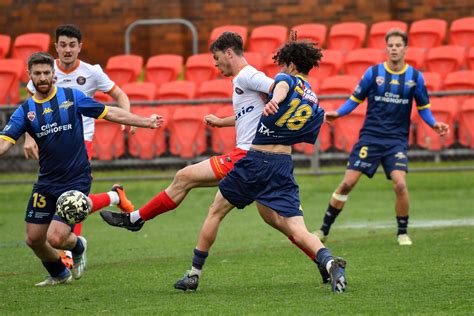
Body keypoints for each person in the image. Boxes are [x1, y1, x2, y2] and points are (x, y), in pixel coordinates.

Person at [100, 32, 331, 280]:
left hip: (247, 156)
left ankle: (138, 220)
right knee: (279, 222)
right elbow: (259, 111)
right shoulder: (244, 79)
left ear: (229, 53)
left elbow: (278, 89)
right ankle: (322, 260)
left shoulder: (248, 74)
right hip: (263, 158)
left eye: (216, 57)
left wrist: (278, 96)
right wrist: (222, 122)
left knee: (185, 178)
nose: (215, 63)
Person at [173, 36, 347, 294]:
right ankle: (330, 262)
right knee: (296, 227)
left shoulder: (286, 79)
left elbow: (281, 86)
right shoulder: (313, 101)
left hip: (255, 161)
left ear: (289, 63)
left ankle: (193, 274)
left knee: (216, 211)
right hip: (283, 165)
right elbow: (306, 133)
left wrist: (276, 98)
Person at [0, 52, 163, 286]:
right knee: (34, 239)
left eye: (47, 72)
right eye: (38, 73)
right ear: (30, 76)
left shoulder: (72, 97)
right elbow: (5, 143)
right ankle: (59, 273)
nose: (43, 77)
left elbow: (111, 112)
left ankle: (78, 245)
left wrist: (144, 121)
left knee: (55, 238)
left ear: (53, 74)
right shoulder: (25, 111)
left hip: (76, 178)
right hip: (47, 181)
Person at [313, 29, 449, 246]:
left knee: (400, 185)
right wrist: (338, 113)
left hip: (396, 141)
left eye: (398, 45)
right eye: (391, 45)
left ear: (405, 48)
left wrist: (434, 124)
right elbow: (354, 99)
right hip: (370, 138)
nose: (394, 49)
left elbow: (423, 108)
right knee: (347, 183)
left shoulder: (415, 77)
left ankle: (402, 233)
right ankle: (323, 230)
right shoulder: (373, 73)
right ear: (386, 48)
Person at [23, 24, 135, 241]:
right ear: (56, 46)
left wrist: (127, 118)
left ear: (79, 47)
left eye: (72, 45)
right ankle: (114, 196)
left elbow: (121, 95)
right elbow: (31, 105)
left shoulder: (91, 72)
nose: (67, 50)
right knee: (63, 197)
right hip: (51, 141)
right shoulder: (46, 71)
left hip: (81, 141)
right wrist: (29, 137)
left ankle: (69, 249)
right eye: (63, 45)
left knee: (72, 197)